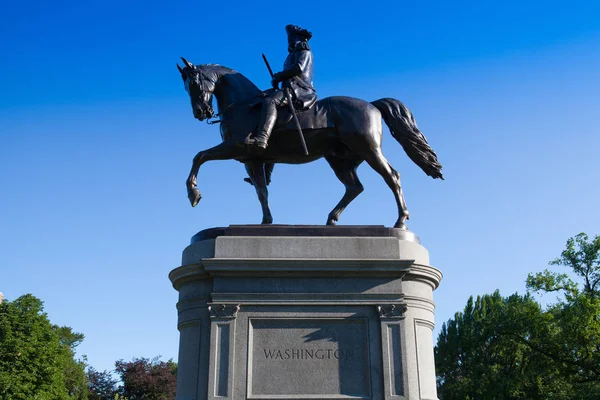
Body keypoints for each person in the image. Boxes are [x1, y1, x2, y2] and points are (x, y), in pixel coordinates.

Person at [246, 24, 317, 150]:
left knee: (271, 101)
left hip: (299, 89)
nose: (289, 42)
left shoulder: (303, 50)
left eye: (291, 39)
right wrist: (277, 80)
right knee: (261, 97)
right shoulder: (293, 53)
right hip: (289, 88)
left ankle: (262, 138)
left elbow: (298, 68)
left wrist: (279, 76)